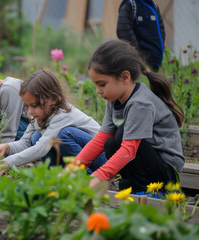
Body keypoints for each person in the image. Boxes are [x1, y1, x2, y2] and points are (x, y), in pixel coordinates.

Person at [75, 39, 184, 193]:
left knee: (122, 136)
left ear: (125, 77)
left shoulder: (140, 103)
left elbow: (129, 150)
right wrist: (73, 169)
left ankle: (146, 192)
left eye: (102, 84)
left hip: (166, 172)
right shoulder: (114, 99)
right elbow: (101, 139)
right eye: (96, 85)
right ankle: (131, 187)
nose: (98, 91)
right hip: (147, 161)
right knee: (110, 143)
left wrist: (98, 176)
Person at [0, 69, 107, 175]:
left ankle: (88, 177)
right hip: (80, 157)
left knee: (64, 134)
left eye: (34, 105)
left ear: (53, 99)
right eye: (28, 106)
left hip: (100, 157)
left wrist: (9, 162)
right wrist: (7, 147)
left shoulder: (62, 115)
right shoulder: (40, 116)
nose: (30, 111)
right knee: (36, 136)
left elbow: (41, 149)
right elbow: (25, 142)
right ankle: (55, 175)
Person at [117, 0, 165, 72]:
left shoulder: (153, 5)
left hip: (155, 63)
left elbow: (160, 29)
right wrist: (138, 54)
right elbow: (123, 31)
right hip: (140, 65)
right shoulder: (130, 4)